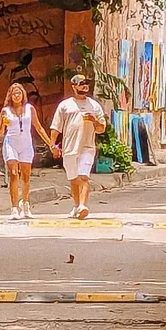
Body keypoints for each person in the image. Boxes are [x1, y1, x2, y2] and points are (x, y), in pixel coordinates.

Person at [49, 73, 107, 220]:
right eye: (81, 83)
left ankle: (83, 205)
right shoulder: (65, 106)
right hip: (69, 148)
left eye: (86, 83)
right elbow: (56, 127)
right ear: (74, 86)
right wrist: (53, 144)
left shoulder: (94, 106)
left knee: (83, 176)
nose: (84, 86)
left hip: (87, 147)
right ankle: (77, 205)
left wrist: (94, 121)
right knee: (74, 179)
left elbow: (101, 128)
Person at [0, 82, 52, 221]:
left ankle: (25, 203)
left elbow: (38, 127)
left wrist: (50, 143)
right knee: (13, 174)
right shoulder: (5, 111)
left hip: (26, 145)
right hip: (11, 143)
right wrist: (3, 124)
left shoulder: (29, 109)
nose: (16, 96)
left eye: (19, 93)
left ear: (23, 95)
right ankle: (14, 207)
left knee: (26, 176)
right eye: (14, 93)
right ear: (10, 95)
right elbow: (0, 132)